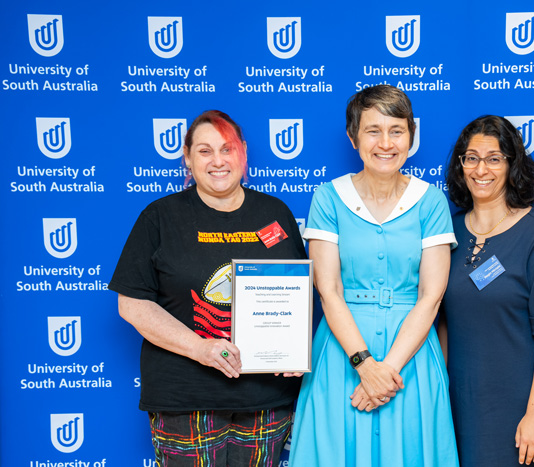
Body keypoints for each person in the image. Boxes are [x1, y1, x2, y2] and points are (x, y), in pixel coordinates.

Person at [109, 110, 306, 467]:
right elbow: (133, 305)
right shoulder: (160, 217)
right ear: (186, 157)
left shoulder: (276, 213)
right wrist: (200, 349)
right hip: (186, 399)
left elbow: (295, 294)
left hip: (265, 400)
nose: (218, 161)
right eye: (204, 151)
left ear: (243, 152)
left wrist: (292, 350)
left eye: (227, 149)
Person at [289, 85, 459, 466]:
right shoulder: (328, 198)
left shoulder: (430, 201)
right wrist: (365, 365)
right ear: (353, 137)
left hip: (410, 361)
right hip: (341, 355)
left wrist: (388, 371)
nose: (386, 143)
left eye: (396, 130)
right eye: (373, 130)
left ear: (411, 136)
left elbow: (431, 296)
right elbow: (329, 291)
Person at [440, 115, 534, 466]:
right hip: (459, 408)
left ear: (512, 165)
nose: (481, 169)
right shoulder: (447, 233)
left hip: (519, 412)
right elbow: (442, 324)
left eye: (494, 158)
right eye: (471, 158)